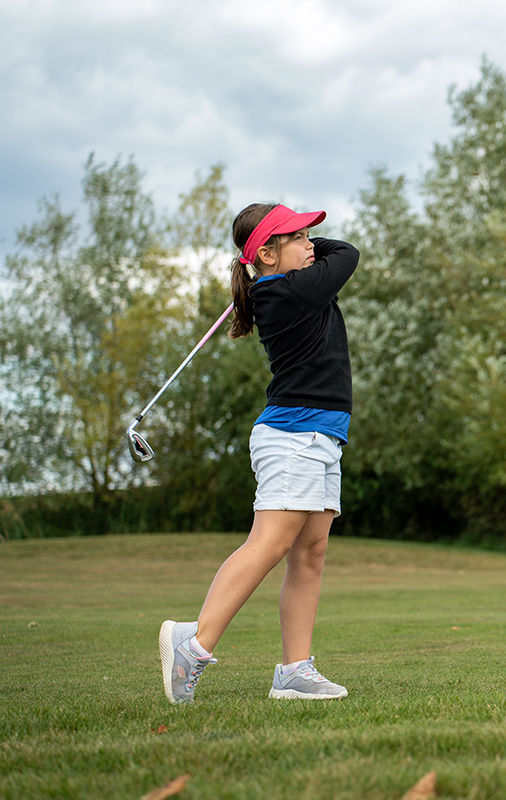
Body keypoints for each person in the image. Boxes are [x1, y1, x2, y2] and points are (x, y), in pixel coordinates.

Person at [159, 203, 358, 703]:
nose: (313, 243)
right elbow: (348, 252)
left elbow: (327, 250)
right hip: (295, 438)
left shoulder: (286, 283)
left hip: (322, 436)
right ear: (267, 253)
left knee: (309, 555)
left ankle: (294, 670)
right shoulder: (288, 292)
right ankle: (194, 642)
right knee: (269, 544)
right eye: (298, 236)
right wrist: (264, 260)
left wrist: (273, 253)